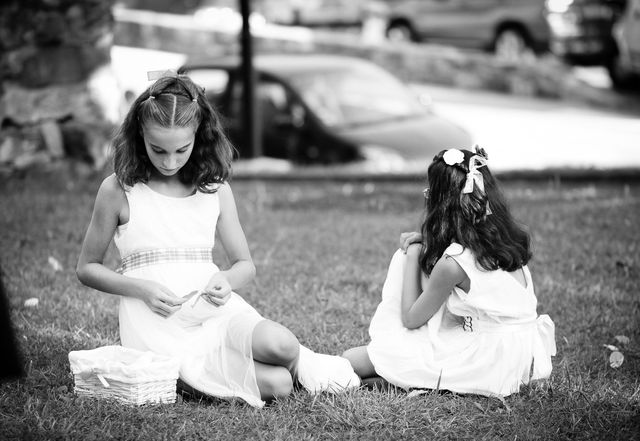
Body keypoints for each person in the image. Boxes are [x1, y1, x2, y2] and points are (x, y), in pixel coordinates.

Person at [77, 72, 358, 408]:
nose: (170, 161)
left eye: (181, 149)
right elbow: (87, 268)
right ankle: (192, 373)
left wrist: (225, 280)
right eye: (158, 150)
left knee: (282, 345)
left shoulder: (215, 189)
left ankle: (283, 363)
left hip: (214, 311)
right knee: (279, 385)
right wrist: (142, 289)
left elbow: (245, 265)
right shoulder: (118, 189)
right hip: (158, 326)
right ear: (139, 136)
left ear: (199, 136)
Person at [343, 147, 556, 398]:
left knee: (352, 359)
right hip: (518, 358)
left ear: (440, 204)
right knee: (371, 366)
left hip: (486, 362)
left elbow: (411, 319)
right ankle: (401, 381)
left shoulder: (454, 263)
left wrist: (413, 253)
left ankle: (411, 380)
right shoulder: (508, 239)